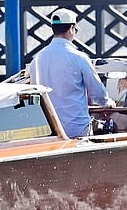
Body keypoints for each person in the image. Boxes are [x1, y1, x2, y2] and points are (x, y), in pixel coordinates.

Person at [29, 10, 111, 138]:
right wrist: (108, 102)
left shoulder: (37, 59)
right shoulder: (79, 57)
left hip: (48, 131)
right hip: (76, 129)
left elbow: (35, 94)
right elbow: (98, 95)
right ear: (71, 29)